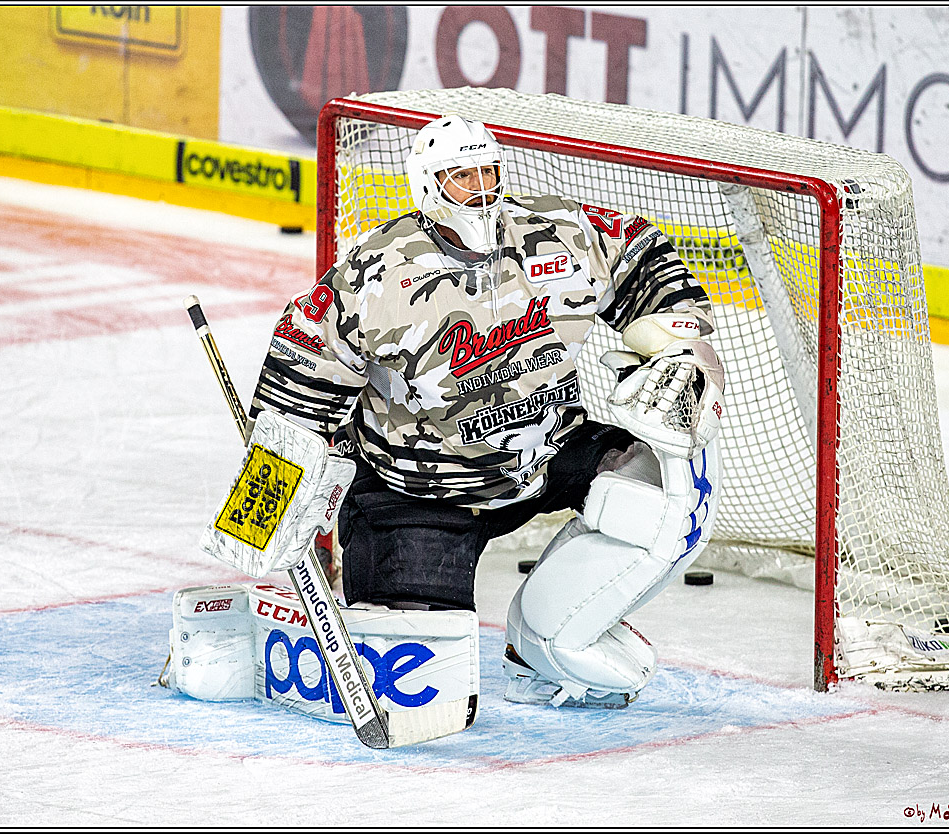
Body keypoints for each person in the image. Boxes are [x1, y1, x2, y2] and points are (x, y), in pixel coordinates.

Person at [249, 115, 725, 709]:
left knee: (659, 500)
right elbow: (296, 381)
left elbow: (645, 256)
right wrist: (270, 504)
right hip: (416, 493)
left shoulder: (556, 235)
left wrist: (682, 343)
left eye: (488, 171)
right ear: (428, 187)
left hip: (545, 453)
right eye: (461, 177)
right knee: (428, 691)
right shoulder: (379, 275)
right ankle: (371, 578)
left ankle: (541, 645)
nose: (480, 189)